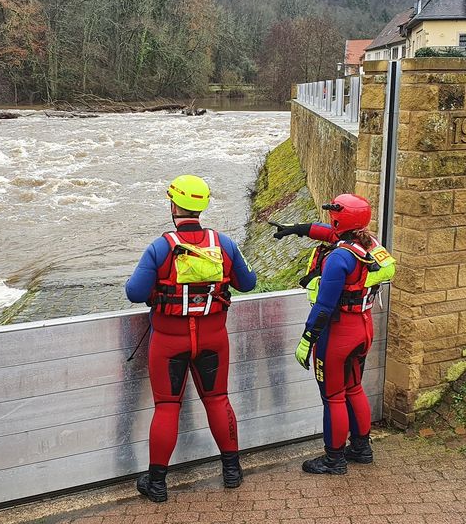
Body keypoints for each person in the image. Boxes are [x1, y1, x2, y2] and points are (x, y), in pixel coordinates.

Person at [126, 174, 257, 502]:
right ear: (202, 207)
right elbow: (248, 283)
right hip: (213, 338)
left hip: (169, 343)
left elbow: (134, 292)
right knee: (217, 399)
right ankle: (231, 470)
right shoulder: (224, 244)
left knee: (167, 406)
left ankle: (157, 484)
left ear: (174, 205)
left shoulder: (160, 248)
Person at [271, 193, 395, 474]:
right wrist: (297, 230)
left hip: (338, 334)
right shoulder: (369, 245)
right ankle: (362, 448)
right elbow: (328, 233)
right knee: (354, 388)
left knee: (334, 397)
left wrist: (307, 339)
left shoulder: (339, 258)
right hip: (363, 327)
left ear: (339, 217)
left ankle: (334, 459)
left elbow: (325, 306)